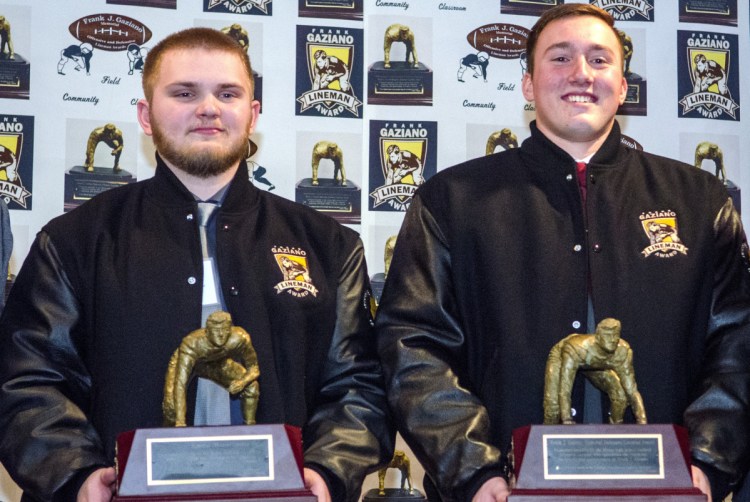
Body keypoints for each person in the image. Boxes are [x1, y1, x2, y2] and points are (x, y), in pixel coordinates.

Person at [375, 4, 749, 502]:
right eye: (560, 58)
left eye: (599, 60)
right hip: (506, 491)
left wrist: (705, 461)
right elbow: (413, 347)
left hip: (666, 490)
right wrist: (475, 472)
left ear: (622, 83)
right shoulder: (453, 200)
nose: (581, 74)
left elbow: (738, 346)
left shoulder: (700, 200)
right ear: (528, 84)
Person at [0, 27, 392, 502]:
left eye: (227, 93)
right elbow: (28, 381)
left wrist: (329, 471)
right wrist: (78, 476)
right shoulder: (74, 242)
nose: (208, 107)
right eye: (184, 93)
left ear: (253, 115)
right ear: (145, 116)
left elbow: (358, 385)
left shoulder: (329, 246)